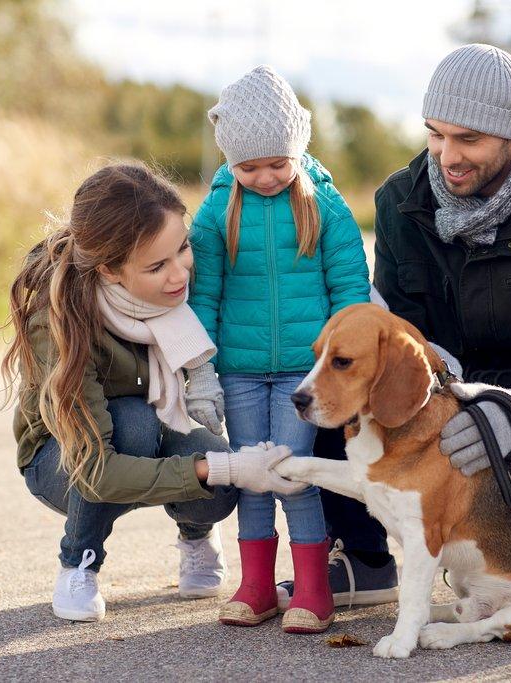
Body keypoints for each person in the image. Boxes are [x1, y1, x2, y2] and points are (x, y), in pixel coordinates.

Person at [313, 43, 511, 605]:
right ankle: (366, 561)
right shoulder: (400, 200)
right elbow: (399, 337)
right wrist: (450, 396)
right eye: (436, 134)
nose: (447, 155)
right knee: (327, 404)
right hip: (449, 387)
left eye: (469, 139)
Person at [3, 163, 304, 623]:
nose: (180, 273)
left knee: (219, 487)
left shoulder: (176, 288)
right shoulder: (61, 320)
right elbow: (97, 471)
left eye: (182, 249)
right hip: (63, 462)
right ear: (110, 269)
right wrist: (223, 467)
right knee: (137, 425)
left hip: (156, 432)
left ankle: (196, 535)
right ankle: (77, 563)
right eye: (157, 266)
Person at [190, 65, 371, 633]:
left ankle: (313, 588)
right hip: (239, 372)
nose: (265, 177)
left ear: (298, 150)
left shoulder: (327, 207)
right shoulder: (217, 213)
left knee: (293, 473)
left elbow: (349, 293)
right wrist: (201, 370)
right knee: (252, 475)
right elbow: (204, 296)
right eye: (249, 167)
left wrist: (343, 368)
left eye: (278, 163)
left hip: (303, 373)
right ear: (229, 161)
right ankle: (257, 586)